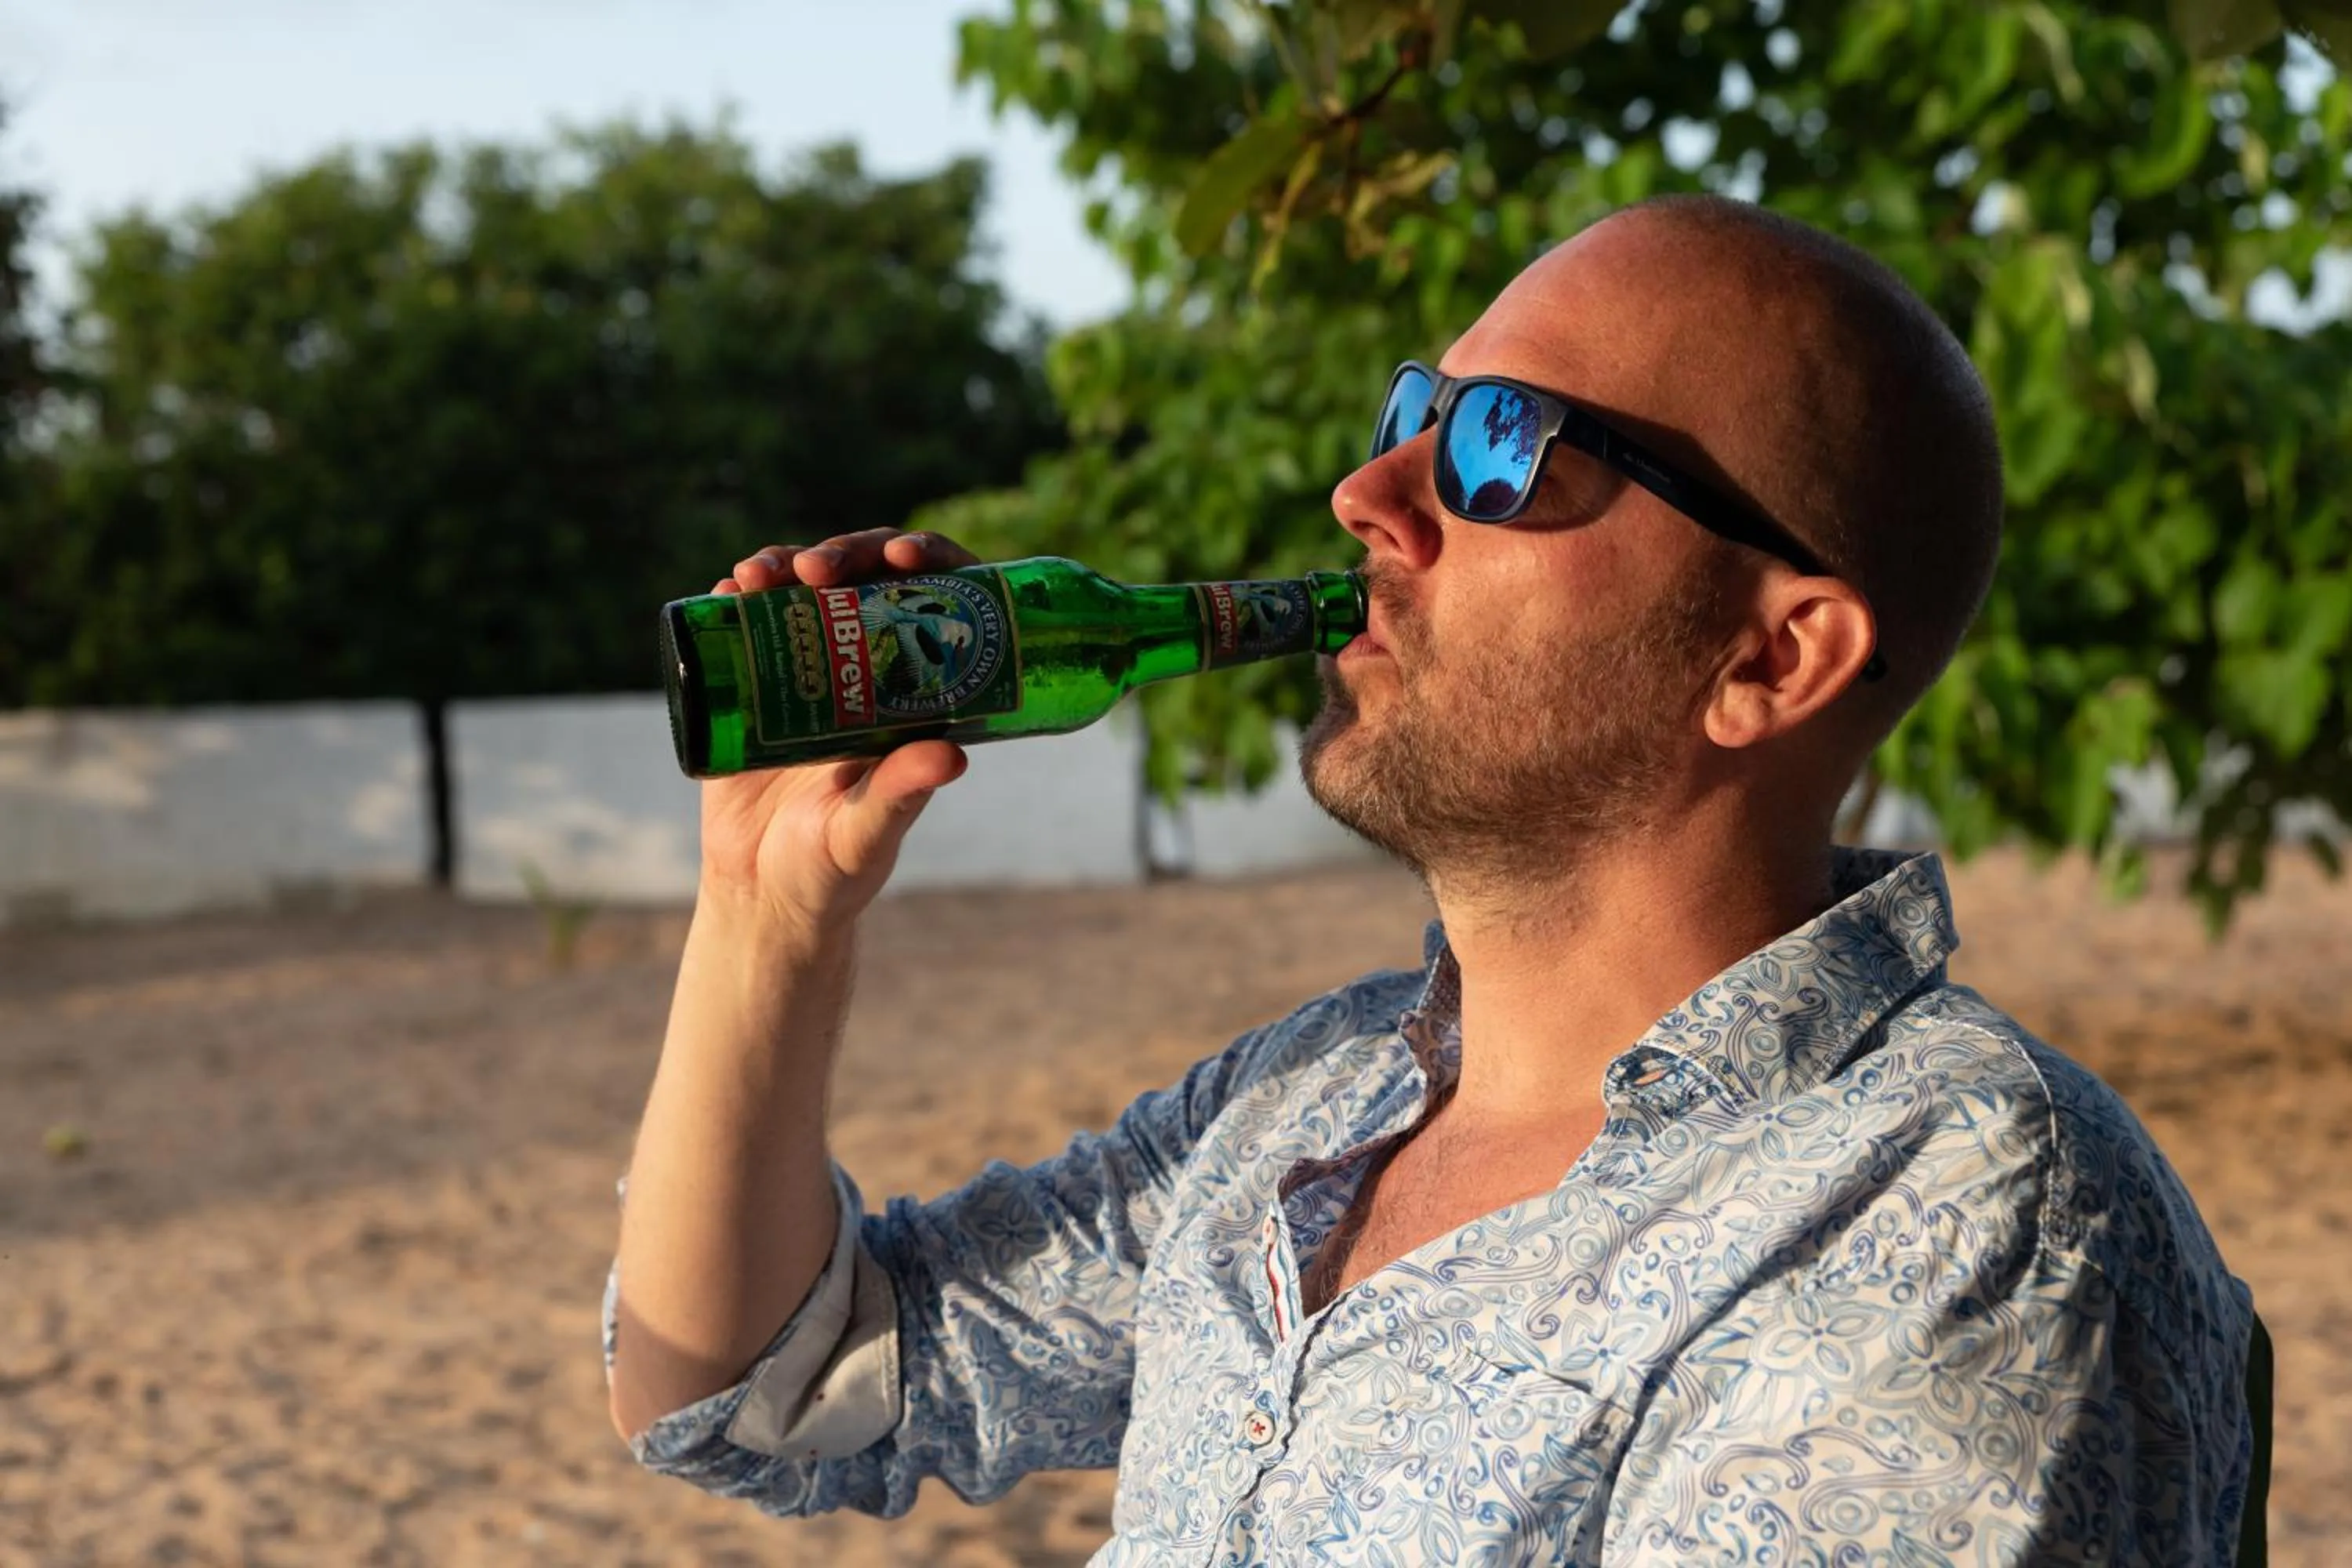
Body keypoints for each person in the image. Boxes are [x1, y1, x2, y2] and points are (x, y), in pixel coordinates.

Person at [602, 194, 2260, 1563]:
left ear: (1773, 657)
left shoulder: (1952, 1220)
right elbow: (756, 1387)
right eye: (1415, 416)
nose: (1369, 495)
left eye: (1506, 446)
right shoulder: (1305, 1104)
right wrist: (769, 911)